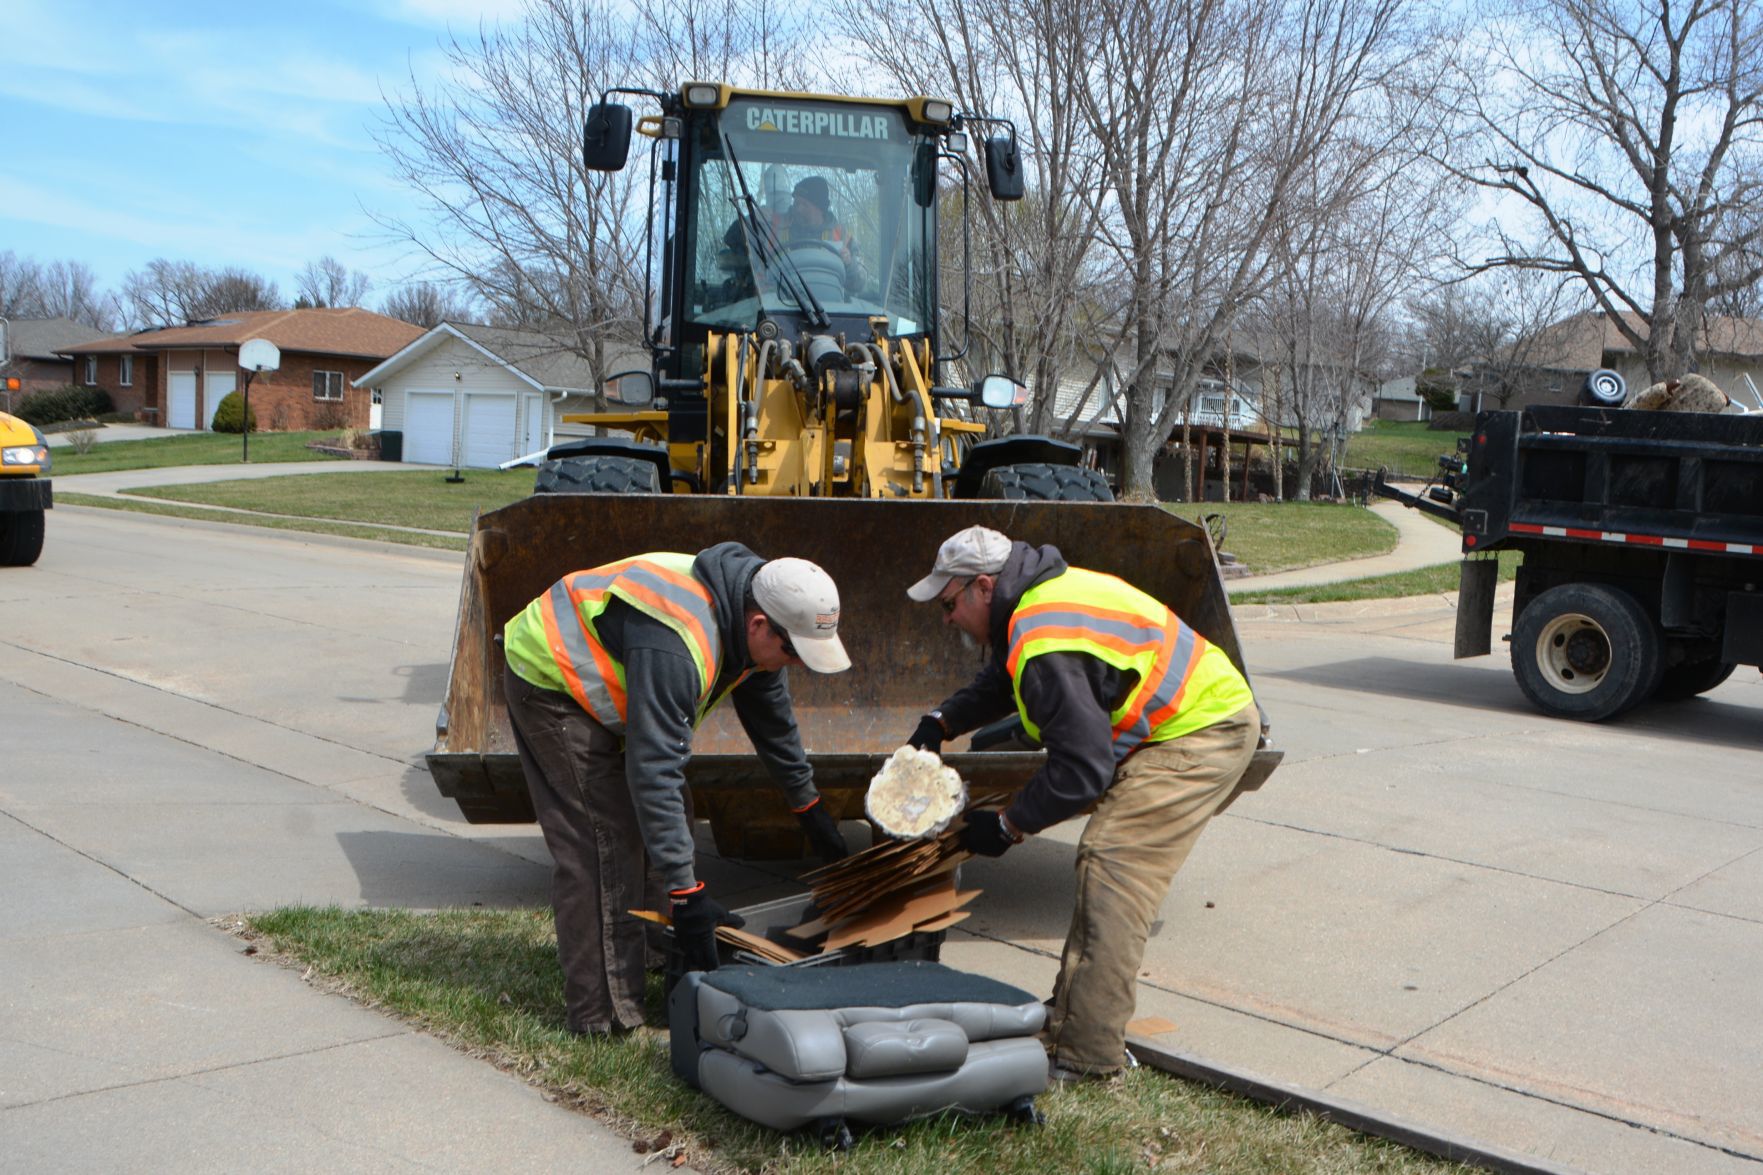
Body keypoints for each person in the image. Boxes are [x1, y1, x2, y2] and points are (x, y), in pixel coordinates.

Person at [904, 525, 1261, 1081]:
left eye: (948, 605)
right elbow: (1004, 678)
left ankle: (1087, 1056)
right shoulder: (1039, 601)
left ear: (980, 587)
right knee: (1104, 863)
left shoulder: (1044, 638)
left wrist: (1006, 827)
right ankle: (1069, 1019)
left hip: (1200, 733)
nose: (947, 619)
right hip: (1186, 722)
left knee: (1113, 865)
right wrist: (941, 721)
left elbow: (1082, 771)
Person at [501, 543, 852, 1035]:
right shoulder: (679, 641)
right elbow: (654, 769)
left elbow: (772, 721)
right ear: (758, 627)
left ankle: (649, 954)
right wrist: (688, 897)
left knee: (672, 816)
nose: (793, 665)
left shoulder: (753, 613)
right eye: (792, 652)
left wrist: (808, 806)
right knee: (603, 843)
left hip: (616, 680)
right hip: (551, 678)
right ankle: (603, 1014)